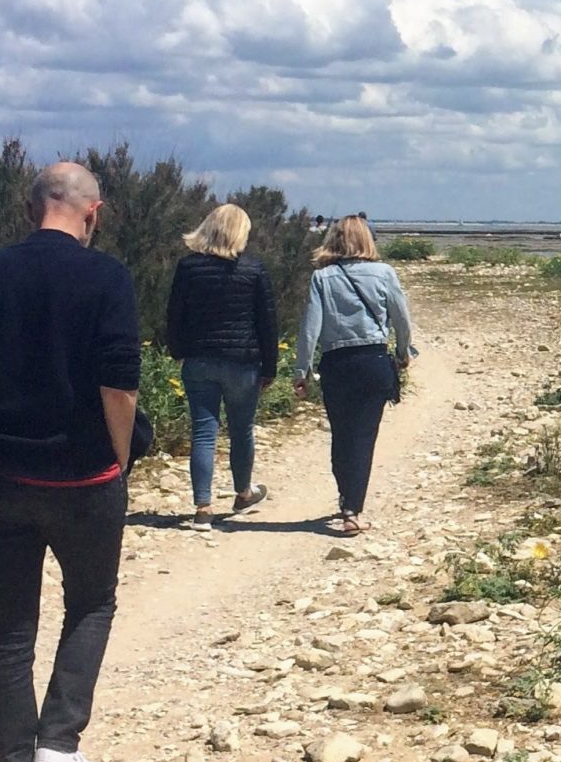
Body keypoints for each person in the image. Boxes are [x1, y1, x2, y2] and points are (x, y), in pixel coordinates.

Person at [0, 161, 141, 762]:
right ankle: (58, 739)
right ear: (93, 212)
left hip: (0, 478)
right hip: (85, 479)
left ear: (30, 211)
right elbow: (119, 386)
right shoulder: (106, 276)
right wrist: (120, 456)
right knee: (92, 604)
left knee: (9, 632)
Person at [296, 215, 415, 536]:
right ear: (368, 239)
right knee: (363, 437)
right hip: (373, 360)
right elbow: (401, 319)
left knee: (341, 433)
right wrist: (404, 353)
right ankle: (352, 509)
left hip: (336, 364)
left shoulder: (322, 278)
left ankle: (346, 497)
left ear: (333, 240)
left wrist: (301, 370)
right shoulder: (385, 273)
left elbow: (310, 329)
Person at [162, 203, 277, 530]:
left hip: (199, 360)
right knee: (241, 430)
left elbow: (175, 315)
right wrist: (270, 366)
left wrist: (178, 351)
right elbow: (267, 322)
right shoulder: (253, 269)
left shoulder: (189, 267)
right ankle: (243, 493)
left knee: (203, 432)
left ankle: (202, 508)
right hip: (243, 362)